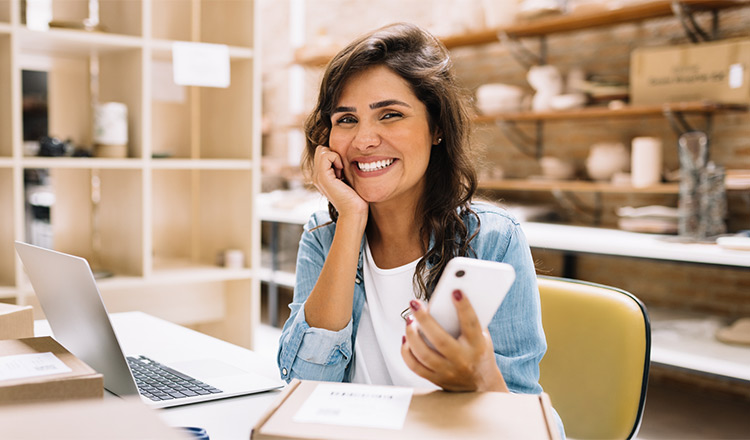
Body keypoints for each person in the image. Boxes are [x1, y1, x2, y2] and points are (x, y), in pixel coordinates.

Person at [277, 22, 564, 436]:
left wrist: (481, 376)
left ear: (437, 128)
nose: (363, 140)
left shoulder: (494, 239)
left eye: (390, 115)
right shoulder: (324, 235)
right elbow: (303, 383)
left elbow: (536, 427)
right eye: (346, 119)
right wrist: (352, 219)